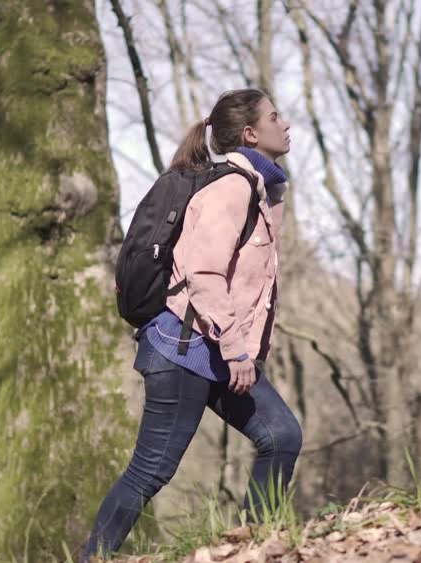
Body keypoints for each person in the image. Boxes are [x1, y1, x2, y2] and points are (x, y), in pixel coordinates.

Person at [82, 88, 301, 562]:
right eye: (275, 117)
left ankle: (257, 549)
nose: (285, 125)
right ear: (250, 133)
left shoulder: (257, 189)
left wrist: (276, 192)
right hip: (185, 350)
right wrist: (237, 351)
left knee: (281, 435)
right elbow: (203, 274)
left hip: (214, 349)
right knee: (151, 471)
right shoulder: (231, 189)